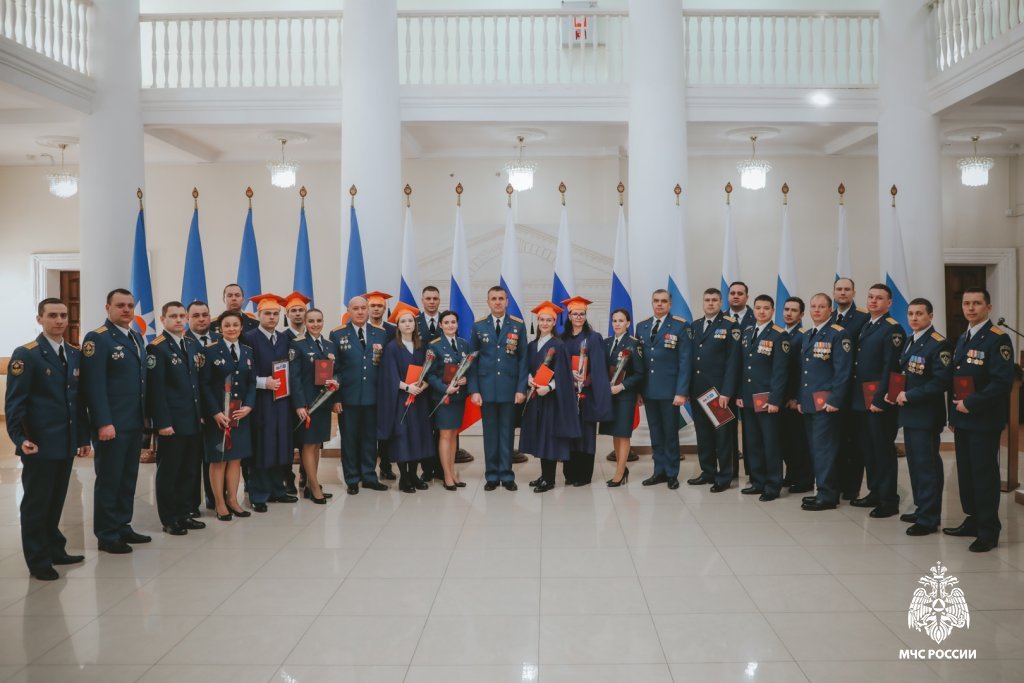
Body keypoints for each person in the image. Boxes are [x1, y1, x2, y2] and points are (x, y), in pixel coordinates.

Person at [5, 298, 90, 580]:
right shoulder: (27, 354)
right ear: (40, 319)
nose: (59, 320)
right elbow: (15, 403)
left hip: (65, 443)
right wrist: (19, 438)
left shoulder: (74, 354)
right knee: (36, 504)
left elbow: (77, 402)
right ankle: (38, 559)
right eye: (52, 315)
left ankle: (54, 549)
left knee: (55, 501)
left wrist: (82, 438)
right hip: (39, 443)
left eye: (63, 315)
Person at [942, 287, 1014, 552]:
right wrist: (953, 415)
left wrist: (970, 404)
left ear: (988, 307)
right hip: (962, 419)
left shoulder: (998, 339)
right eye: (966, 303)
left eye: (976, 303)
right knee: (967, 473)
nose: (970, 308)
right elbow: (956, 380)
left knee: (984, 475)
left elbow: (1001, 383)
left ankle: (988, 530)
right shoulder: (964, 337)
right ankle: (973, 519)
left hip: (983, 419)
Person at [80, 288, 150, 554]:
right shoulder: (97, 339)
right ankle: (107, 534)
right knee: (109, 480)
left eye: (130, 305)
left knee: (128, 477)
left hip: (134, 421)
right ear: (108, 308)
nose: (126, 309)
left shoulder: (136, 336)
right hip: (112, 424)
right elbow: (94, 385)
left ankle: (122, 525)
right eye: (120, 305)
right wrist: (103, 422)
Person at [886, 298, 951, 537]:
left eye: (919, 314)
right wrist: (893, 393)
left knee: (927, 466)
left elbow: (941, 381)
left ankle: (929, 518)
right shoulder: (910, 340)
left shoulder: (938, 344)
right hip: (909, 414)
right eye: (911, 314)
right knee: (915, 465)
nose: (914, 318)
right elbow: (905, 374)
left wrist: (910, 395)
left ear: (930, 316)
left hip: (925, 415)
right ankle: (922, 508)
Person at [146, 301, 206, 536]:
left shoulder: (190, 344)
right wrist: (162, 423)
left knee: (189, 471)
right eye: (173, 316)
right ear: (163, 320)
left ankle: (185, 513)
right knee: (170, 472)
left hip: (192, 420)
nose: (179, 320)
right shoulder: (157, 348)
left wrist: (200, 415)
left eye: (182, 316)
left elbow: (195, 384)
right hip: (171, 422)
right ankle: (170, 518)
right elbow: (156, 390)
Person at [849, 284, 906, 519]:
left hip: (878, 401)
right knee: (868, 449)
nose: (873, 301)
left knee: (882, 450)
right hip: (862, 400)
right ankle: (875, 492)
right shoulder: (868, 325)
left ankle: (889, 500)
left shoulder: (893, 329)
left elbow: (891, 369)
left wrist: (881, 400)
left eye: (879, 298)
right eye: (870, 297)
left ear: (889, 303)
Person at [468, 286, 528, 491]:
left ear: (507, 301)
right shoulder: (479, 326)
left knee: (507, 433)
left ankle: (507, 474)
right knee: (490, 434)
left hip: (509, 388)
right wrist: (474, 390)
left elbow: (523, 359)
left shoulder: (518, 325)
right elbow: (472, 360)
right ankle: (492, 475)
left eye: (501, 298)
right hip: (486, 389)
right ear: (488, 302)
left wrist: (521, 389)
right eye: (493, 298)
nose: (497, 302)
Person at [242, 293, 298, 512]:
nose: (272, 317)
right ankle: (258, 494)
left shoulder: (284, 338)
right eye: (267, 313)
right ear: (259, 315)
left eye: (275, 313)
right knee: (262, 446)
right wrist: (264, 382)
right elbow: (244, 371)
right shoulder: (249, 338)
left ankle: (277, 490)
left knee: (280, 445)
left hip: (281, 401)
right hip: (261, 400)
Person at [797, 293, 853, 511]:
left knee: (824, 450)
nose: (817, 310)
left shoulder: (838, 334)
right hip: (810, 402)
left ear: (831, 310)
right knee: (815, 448)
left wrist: (835, 399)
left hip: (827, 403)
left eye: (821, 307)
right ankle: (823, 489)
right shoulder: (808, 334)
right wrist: (801, 399)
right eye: (813, 306)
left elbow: (843, 371)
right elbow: (805, 372)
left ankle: (827, 495)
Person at [199, 311, 255, 520]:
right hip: (219, 416)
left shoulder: (248, 351)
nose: (231, 328)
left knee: (235, 459)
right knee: (219, 459)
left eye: (235, 325)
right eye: (227, 325)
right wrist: (215, 412)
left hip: (240, 414)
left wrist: (248, 406)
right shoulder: (210, 351)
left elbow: (251, 382)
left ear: (241, 327)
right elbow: (204, 385)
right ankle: (220, 503)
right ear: (220, 328)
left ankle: (233, 500)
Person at [331, 296, 390, 494]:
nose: (360, 312)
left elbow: (384, 367)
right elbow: (334, 369)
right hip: (348, 397)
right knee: (349, 440)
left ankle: (369, 476)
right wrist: (336, 398)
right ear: (348, 311)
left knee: (370, 439)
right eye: (355, 308)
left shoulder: (380, 333)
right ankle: (352, 479)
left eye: (363, 308)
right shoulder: (338, 334)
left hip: (373, 396)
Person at [522, 301, 581, 492]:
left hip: (551, 399)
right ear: (537, 321)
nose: (545, 323)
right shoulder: (532, 345)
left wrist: (549, 387)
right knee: (540, 437)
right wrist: (529, 379)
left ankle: (549, 479)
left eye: (549, 320)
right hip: (535, 397)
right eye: (542, 319)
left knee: (549, 439)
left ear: (554, 322)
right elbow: (526, 368)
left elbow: (563, 375)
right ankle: (544, 475)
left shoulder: (558, 345)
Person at [735, 295, 790, 501]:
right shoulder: (747, 332)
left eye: (766, 308)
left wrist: (775, 400)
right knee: (753, 442)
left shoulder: (779, 335)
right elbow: (743, 367)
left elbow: (780, 372)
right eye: (758, 308)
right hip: (749, 398)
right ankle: (757, 481)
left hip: (767, 399)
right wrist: (740, 394)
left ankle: (773, 485)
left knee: (770, 444)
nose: (761, 311)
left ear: (772, 311)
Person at [686, 288, 741, 492]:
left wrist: (727, 392)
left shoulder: (730, 325)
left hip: (719, 393)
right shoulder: (695, 326)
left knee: (723, 436)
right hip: (698, 390)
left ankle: (725, 476)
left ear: (720, 303)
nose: (710, 303)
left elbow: (733, 362)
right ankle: (707, 471)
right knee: (703, 434)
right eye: (707, 300)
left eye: (714, 300)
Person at [636, 289, 691, 489]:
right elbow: (638, 362)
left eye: (663, 301)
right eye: (656, 301)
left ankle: (672, 473)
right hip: (649, 390)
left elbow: (685, 361)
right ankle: (658, 471)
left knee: (670, 434)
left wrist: (681, 391)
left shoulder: (680, 326)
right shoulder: (641, 326)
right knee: (655, 433)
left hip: (670, 391)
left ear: (670, 304)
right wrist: (638, 390)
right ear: (652, 303)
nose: (659, 304)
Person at [377, 303, 434, 493]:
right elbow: (389, 376)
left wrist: (424, 385)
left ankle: (414, 475)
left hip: (419, 400)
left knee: (417, 436)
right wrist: (408, 387)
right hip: (401, 399)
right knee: (402, 437)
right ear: (398, 325)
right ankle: (404, 478)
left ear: (415, 324)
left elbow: (428, 372)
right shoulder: (392, 347)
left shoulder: (421, 347)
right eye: (403, 321)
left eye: (410, 321)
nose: (408, 324)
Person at [558, 297, 612, 487]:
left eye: (582, 314)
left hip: (586, 394)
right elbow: (558, 365)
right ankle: (569, 473)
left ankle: (584, 475)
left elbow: (599, 367)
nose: (578, 317)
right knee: (569, 433)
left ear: (585, 316)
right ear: (569, 316)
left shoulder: (593, 338)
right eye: (575, 314)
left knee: (586, 434)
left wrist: (585, 380)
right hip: (567, 394)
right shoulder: (562, 339)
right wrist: (569, 377)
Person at [289, 307, 339, 504]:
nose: (315, 324)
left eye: (319, 320)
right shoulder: (298, 344)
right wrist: (299, 405)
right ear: (305, 323)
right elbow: (294, 378)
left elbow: (337, 371)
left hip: (324, 402)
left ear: (323, 321)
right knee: (308, 444)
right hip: (308, 404)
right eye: (311, 321)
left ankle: (311, 485)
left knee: (317, 444)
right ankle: (315, 487)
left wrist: (336, 382)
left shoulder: (329, 345)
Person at [830, 277, 870, 501]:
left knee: (854, 441)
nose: (842, 293)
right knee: (835, 440)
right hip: (833, 390)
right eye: (839, 289)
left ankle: (852, 487)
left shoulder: (863, 318)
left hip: (854, 390)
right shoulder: (829, 317)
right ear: (834, 293)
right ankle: (835, 484)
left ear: (854, 293)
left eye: (847, 289)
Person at [599, 308, 644, 487]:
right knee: (615, 432)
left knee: (623, 433)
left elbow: (640, 373)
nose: (617, 324)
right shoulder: (606, 342)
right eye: (614, 321)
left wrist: (622, 386)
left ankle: (619, 473)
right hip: (609, 396)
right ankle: (621, 467)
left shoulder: (634, 344)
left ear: (628, 323)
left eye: (621, 321)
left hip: (625, 395)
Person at [426, 310, 470, 490]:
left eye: (453, 322)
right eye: (446, 322)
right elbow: (430, 375)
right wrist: (445, 388)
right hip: (443, 397)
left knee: (453, 435)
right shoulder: (434, 345)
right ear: (440, 325)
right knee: (445, 435)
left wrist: (466, 379)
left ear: (457, 324)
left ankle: (452, 472)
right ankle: (446, 475)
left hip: (459, 397)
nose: (450, 325)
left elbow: (468, 367)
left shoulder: (463, 344)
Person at [186, 300, 221, 514]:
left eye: (205, 315)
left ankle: (215, 498)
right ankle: (191, 505)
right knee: (191, 460)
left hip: (217, 410)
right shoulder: (182, 340)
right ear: (188, 318)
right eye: (196, 315)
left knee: (215, 458)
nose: (201, 319)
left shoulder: (220, 339)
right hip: (191, 411)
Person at [781, 296, 813, 493]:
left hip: (794, 399)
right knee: (786, 441)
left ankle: (805, 479)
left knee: (799, 442)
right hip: (782, 398)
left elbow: (803, 372)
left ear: (801, 315)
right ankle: (791, 474)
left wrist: (797, 398)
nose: (789, 313)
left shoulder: (803, 336)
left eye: (793, 310)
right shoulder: (780, 334)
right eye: (786, 309)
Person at [281, 291, 312, 496]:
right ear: (287, 313)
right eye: (294, 310)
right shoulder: (282, 338)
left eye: (301, 310)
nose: (298, 314)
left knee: (307, 441)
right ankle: (287, 478)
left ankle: (307, 476)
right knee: (287, 441)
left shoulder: (312, 337)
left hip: (308, 397)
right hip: (285, 399)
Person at [365, 290, 397, 480]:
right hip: (367, 384)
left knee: (386, 426)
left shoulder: (392, 330)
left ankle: (386, 465)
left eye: (380, 306)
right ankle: (367, 467)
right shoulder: (360, 328)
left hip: (387, 385)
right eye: (373, 306)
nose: (376, 309)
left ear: (385, 309)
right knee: (368, 428)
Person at [417, 286, 445, 481]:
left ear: (439, 300)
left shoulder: (448, 319)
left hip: (444, 383)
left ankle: (443, 469)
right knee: (425, 428)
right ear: (423, 300)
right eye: (428, 298)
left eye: (435, 298)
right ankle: (427, 469)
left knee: (445, 427)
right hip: (420, 384)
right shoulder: (414, 321)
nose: (432, 301)